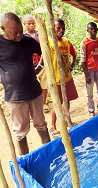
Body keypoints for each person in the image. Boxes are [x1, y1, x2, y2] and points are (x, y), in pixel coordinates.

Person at [0, 12, 51, 155]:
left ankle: (48, 154)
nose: (19, 35)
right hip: (15, 96)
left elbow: (45, 52)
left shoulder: (28, 41)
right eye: (14, 33)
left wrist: (39, 68)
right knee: (21, 132)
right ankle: (26, 159)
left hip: (35, 91)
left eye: (20, 31)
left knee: (41, 125)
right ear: (3, 28)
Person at [48, 18, 78, 139]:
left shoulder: (66, 42)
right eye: (58, 28)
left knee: (67, 101)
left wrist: (71, 66)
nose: (61, 30)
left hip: (67, 77)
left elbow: (74, 54)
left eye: (63, 28)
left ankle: (67, 120)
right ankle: (52, 126)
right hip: (56, 78)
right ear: (52, 28)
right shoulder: (48, 42)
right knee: (57, 103)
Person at [23, 14, 50, 113]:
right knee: (31, 86)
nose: (31, 25)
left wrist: (41, 64)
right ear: (24, 24)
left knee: (44, 85)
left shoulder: (39, 34)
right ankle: (33, 108)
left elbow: (43, 49)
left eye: (33, 23)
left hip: (41, 63)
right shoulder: (22, 37)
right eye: (29, 24)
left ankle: (43, 103)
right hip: (29, 66)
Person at [80, 22, 98, 117]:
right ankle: (91, 110)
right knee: (89, 92)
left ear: (97, 29)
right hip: (89, 70)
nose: (93, 30)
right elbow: (82, 60)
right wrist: (86, 74)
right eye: (91, 29)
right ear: (88, 30)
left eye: (94, 29)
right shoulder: (85, 42)